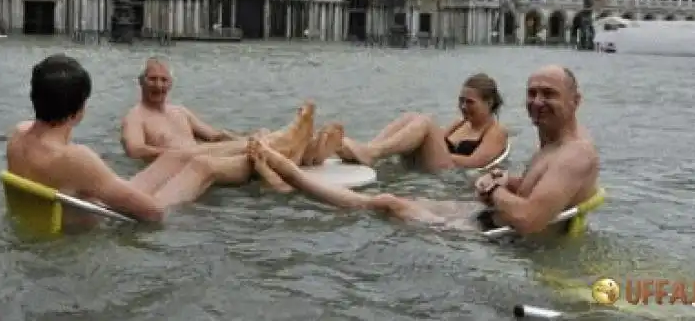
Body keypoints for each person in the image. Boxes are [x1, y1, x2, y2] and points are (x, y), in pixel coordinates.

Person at [246, 65, 599, 237]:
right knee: (401, 184)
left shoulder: (575, 154)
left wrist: (493, 187)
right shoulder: (554, 144)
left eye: (548, 94)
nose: (537, 102)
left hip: (491, 231)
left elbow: (529, 220)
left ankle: (290, 173)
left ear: (576, 101)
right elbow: (540, 191)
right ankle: (335, 156)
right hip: (481, 211)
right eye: (532, 93)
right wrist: (508, 180)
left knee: (387, 202)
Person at [6, 54, 315, 228]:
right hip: (109, 216)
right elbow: (152, 213)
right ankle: (275, 153)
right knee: (202, 166)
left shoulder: (19, 135)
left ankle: (275, 141)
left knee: (180, 156)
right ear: (80, 109)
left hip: (83, 206)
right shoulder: (75, 158)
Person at [121, 57, 344, 166]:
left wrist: (243, 137)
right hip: (181, 164)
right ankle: (292, 144)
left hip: (205, 156)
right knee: (256, 149)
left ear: (171, 84)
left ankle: (303, 150)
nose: (158, 85)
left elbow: (215, 136)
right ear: (141, 82)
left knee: (254, 142)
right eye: (152, 79)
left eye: (163, 80)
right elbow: (135, 151)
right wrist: (177, 154)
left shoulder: (180, 111)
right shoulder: (136, 117)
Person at [336, 73, 509, 172]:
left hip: (450, 171)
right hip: (437, 163)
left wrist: (429, 153)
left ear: (489, 102)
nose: (463, 106)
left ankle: (372, 152)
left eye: (469, 102)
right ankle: (368, 149)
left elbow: (474, 163)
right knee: (411, 117)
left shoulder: (496, 131)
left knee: (426, 122)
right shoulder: (460, 123)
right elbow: (435, 141)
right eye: (461, 101)